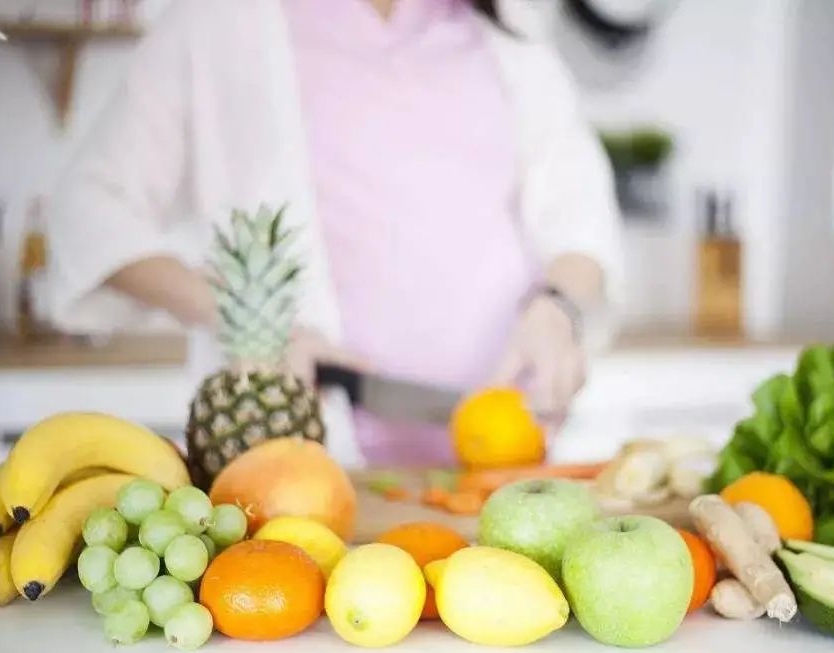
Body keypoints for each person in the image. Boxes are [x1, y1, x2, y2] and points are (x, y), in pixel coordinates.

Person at [48, 0, 622, 467]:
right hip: (299, 459)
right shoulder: (216, 23)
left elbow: (580, 212)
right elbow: (91, 208)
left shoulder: (510, 25)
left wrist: (558, 309)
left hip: (507, 451)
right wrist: (251, 324)